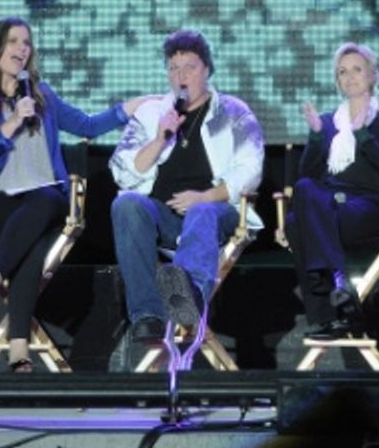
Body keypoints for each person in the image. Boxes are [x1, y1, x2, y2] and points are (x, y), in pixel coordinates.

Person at [0, 17, 144, 372]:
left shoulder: (41, 94)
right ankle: (18, 348)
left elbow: (85, 125)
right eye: (14, 41)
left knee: (47, 199)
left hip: (41, 202)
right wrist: (13, 121)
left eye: (27, 43)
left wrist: (126, 109)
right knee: (31, 241)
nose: (22, 48)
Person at [109, 29, 264, 350]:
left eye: (190, 67)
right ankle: (147, 316)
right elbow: (122, 171)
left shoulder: (233, 111)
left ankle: (189, 293)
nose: (181, 76)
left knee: (202, 211)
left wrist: (204, 197)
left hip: (217, 212)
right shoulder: (152, 114)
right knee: (125, 205)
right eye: (174, 69)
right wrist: (160, 137)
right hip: (164, 215)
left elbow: (251, 170)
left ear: (206, 69)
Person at [284, 43, 379, 340]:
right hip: (328, 203)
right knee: (302, 195)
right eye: (343, 72)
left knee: (296, 225)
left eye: (357, 69)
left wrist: (363, 135)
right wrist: (316, 137)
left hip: (369, 206)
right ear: (337, 81)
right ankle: (339, 289)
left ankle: (324, 313)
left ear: (373, 76)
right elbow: (306, 177)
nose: (350, 77)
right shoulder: (327, 122)